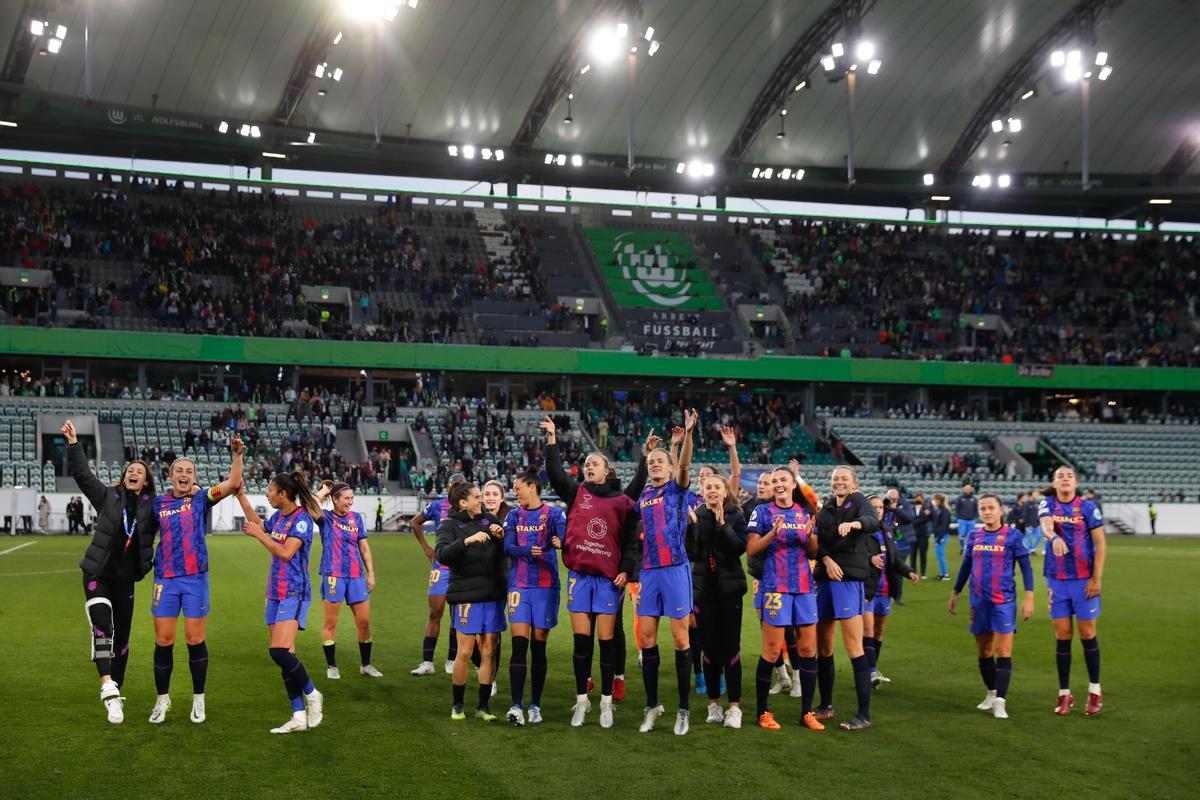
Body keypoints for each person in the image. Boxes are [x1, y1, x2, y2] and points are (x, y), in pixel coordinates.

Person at [541, 415, 644, 729]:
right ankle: (582, 701)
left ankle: (607, 703)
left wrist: (627, 570)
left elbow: (631, 538)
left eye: (595, 464)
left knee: (606, 643)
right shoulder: (576, 494)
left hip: (607, 580)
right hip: (580, 578)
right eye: (586, 463)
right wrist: (552, 441)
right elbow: (556, 474)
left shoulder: (621, 501)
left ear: (607, 471)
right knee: (581, 642)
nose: (589, 467)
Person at [63, 420, 158, 724]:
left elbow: (177, 511)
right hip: (97, 573)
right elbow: (82, 475)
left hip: (125, 579)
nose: (134, 472)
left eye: (140, 472)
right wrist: (74, 443)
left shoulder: (152, 507)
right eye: (131, 469)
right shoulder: (107, 496)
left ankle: (117, 690)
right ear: (124, 475)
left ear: (146, 482)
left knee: (123, 639)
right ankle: (107, 687)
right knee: (103, 625)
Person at [148, 437, 244, 725]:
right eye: (179, 471)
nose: (184, 475)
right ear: (171, 476)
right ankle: (162, 699)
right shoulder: (158, 504)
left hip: (194, 578)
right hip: (164, 578)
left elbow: (233, 483)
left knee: (195, 639)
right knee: (163, 640)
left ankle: (198, 699)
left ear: (195, 478)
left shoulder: (202, 498)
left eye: (189, 471)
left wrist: (237, 455)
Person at [235, 474, 325, 734]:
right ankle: (298, 716)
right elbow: (260, 526)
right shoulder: (279, 518)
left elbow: (285, 553)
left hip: (294, 591)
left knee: (279, 651)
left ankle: (312, 694)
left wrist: (258, 536)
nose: (267, 494)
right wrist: (241, 497)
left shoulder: (302, 521)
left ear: (283, 494)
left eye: (270, 490)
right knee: (286, 655)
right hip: (274, 591)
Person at [635, 410, 698, 735]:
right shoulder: (643, 496)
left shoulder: (677, 490)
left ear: (671, 468)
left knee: (679, 638)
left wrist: (686, 435)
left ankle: (683, 709)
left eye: (661, 461)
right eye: (652, 462)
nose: (656, 464)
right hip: (649, 572)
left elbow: (685, 465)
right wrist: (646, 453)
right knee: (646, 638)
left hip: (675, 569)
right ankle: (652, 705)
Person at [746, 466, 821, 731]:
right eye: (774, 480)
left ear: (792, 485)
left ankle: (807, 712)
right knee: (772, 650)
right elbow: (752, 549)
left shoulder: (804, 513)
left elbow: (812, 552)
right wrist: (772, 534)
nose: (778, 484)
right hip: (775, 587)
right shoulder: (762, 512)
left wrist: (811, 535)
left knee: (809, 650)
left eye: (782, 480)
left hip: (803, 587)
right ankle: (763, 712)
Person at [948, 494, 1035, 719]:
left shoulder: (1013, 536)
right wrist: (955, 592)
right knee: (984, 651)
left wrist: (1029, 598)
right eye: (983, 508)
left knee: (1003, 650)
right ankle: (991, 692)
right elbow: (966, 565)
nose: (987, 512)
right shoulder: (974, 535)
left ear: (1001, 510)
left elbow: (1026, 567)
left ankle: (1000, 701)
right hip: (978, 601)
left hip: (1003, 601)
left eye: (991, 508)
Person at [812, 465, 879, 731]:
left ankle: (863, 714)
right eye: (835, 479)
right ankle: (825, 705)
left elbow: (873, 521)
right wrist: (826, 559)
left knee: (854, 647)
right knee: (824, 646)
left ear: (853, 483)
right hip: (825, 578)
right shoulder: (827, 507)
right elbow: (818, 542)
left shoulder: (860, 502)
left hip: (848, 581)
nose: (838, 482)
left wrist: (855, 523)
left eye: (844, 479)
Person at [435, 482, 506, 721]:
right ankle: (457, 705)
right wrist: (466, 541)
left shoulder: (491, 521)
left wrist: (501, 538)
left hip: (492, 593)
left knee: (489, 651)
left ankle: (483, 707)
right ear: (463, 503)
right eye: (477, 496)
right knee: (464, 652)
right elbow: (442, 554)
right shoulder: (449, 525)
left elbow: (504, 553)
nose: (482, 500)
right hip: (466, 595)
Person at [1039, 466, 1107, 716]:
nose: (1065, 479)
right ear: (1054, 483)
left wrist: (1096, 578)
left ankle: (1095, 690)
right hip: (1056, 580)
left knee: (1087, 632)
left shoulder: (1088, 507)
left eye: (1069, 476)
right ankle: (1064, 693)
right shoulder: (1047, 504)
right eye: (1060, 476)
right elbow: (1046, 527)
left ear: (1076, 483)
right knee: (1063, 635)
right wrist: (1054, 538)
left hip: (1083, 580)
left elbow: (1100, 544)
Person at [502, 471, 566, 726]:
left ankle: (535, 704)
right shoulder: (514, 515)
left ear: (532, 487)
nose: (515, 492)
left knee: (539, 647)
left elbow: (563, 534)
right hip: (519, 585)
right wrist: (527, 550)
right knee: (519, 645)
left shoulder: (553, 513)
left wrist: (559, 540)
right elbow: (508, 547)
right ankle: (516, 704)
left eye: (518, 488)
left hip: (546, 585)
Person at [687, 472, 747, 729]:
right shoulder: (696, 515)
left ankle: (734, 707)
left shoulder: (736, 515)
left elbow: (738, 549)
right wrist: (691, 528)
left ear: (725, 492)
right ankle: (714, 704)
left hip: (730, 592)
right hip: (704, 593)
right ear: (702, 491)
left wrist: (722, 525)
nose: (712, 491)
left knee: (731, 650)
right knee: (708, 651)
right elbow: (691, 553)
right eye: (708, 487)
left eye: (717, 487)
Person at [314, 482, 381, 681]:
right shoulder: (325, 517)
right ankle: (332, 666)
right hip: (333, 575)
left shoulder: (356, 519)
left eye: (352, 498)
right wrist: (323, 492)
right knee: (331, 623)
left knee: (364, 622)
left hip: (355, 576)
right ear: (335, 499)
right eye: (346, 498)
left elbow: (364, 548)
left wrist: (371, 573)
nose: (350, 502)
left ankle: (366, 665)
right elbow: (308, 506)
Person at [410, 473, 465, 676]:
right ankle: (427, 662)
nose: (457, 488)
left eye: (461, 485)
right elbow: (415, 523)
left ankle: (451, 660)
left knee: (457, 616)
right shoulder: (437, 506)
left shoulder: (470, 506)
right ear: (449, 486)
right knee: (435, 613)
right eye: (455, 485)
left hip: (462, 568)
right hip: (441, 566)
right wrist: (427, 549)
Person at [865, 495, 920, 687]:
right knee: (868, 630)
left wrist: (909, 571)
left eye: (881, 507)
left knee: (879, 631)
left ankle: (873, 667)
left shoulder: (887, 530)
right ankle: (870, 671)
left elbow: (895, 559)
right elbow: (853, 556)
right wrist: (870, 558)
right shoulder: (861, 530)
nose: (879, 510)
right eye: (874, 507)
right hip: (867, 589)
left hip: (885, 589)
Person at [931, 493, 952, 580]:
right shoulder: (940, 510)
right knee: (939, 555)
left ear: (939, 500)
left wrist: (939, 537)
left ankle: (945, 574)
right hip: (939, 535)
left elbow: (943, 526)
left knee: (940, 555)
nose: (934, 502)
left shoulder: (944, 511)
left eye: (935, 500)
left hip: (942, 535)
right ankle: (942, 573)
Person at [954, 484, 978, 553]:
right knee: (962, 534)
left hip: (971, 520)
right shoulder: (960, 498)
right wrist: (959, 517)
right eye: (966, 489)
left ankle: (968, 548)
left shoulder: (974, 499)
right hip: (962, 520)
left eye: (969, 489)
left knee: (970, 535)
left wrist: (975, 517)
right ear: (963, 490)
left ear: (971, 490)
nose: (968, 490)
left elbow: (976, 509)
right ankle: (961, 547)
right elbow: (957, 508)